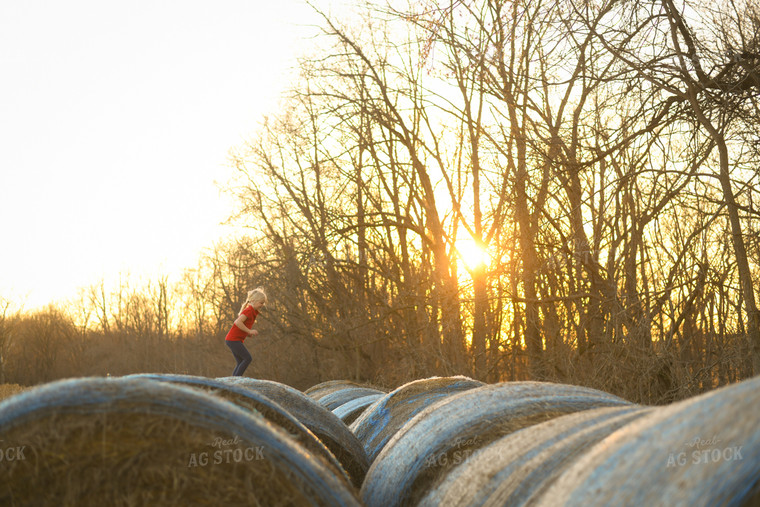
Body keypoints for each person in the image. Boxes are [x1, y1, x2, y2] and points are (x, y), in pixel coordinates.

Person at [225, 287, 267, 376]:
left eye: (263, 303)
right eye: (261, 303)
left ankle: (233, 380)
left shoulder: (253, 311)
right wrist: (249, 331)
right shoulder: (249, 310)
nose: (262, 305)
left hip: (233, 339)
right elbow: (237, 322)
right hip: (233, 339)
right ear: (253, 301)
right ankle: (236, 381)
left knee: (240, 361)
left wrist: (247, 333)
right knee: (247, 358)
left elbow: (241, 326)